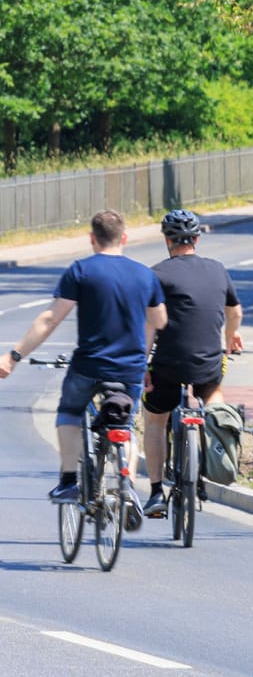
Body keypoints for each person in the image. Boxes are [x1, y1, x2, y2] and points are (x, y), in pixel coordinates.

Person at [0, 210, 166, 501]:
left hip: (89, 366)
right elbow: (160, 320)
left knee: (69, 412)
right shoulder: (145, 275)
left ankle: (67, 481)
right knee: (124, 425)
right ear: (124, 238)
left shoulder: (81, 270)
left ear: (92, 239)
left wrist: (14, 356)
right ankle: (125, 485)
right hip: (130, 369)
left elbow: (50, 319)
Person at [140, 210, 244, 518]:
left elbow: (148, 325)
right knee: (213, 397)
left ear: (167, 241)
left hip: (168, 365)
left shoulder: (156, 274)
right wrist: (231, 336)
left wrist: (143, 365)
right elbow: (234, 311)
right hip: (208, 363)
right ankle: (212, 455)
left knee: (155, 419)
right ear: (197, 239)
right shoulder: (218, 269)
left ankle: (157, 491)